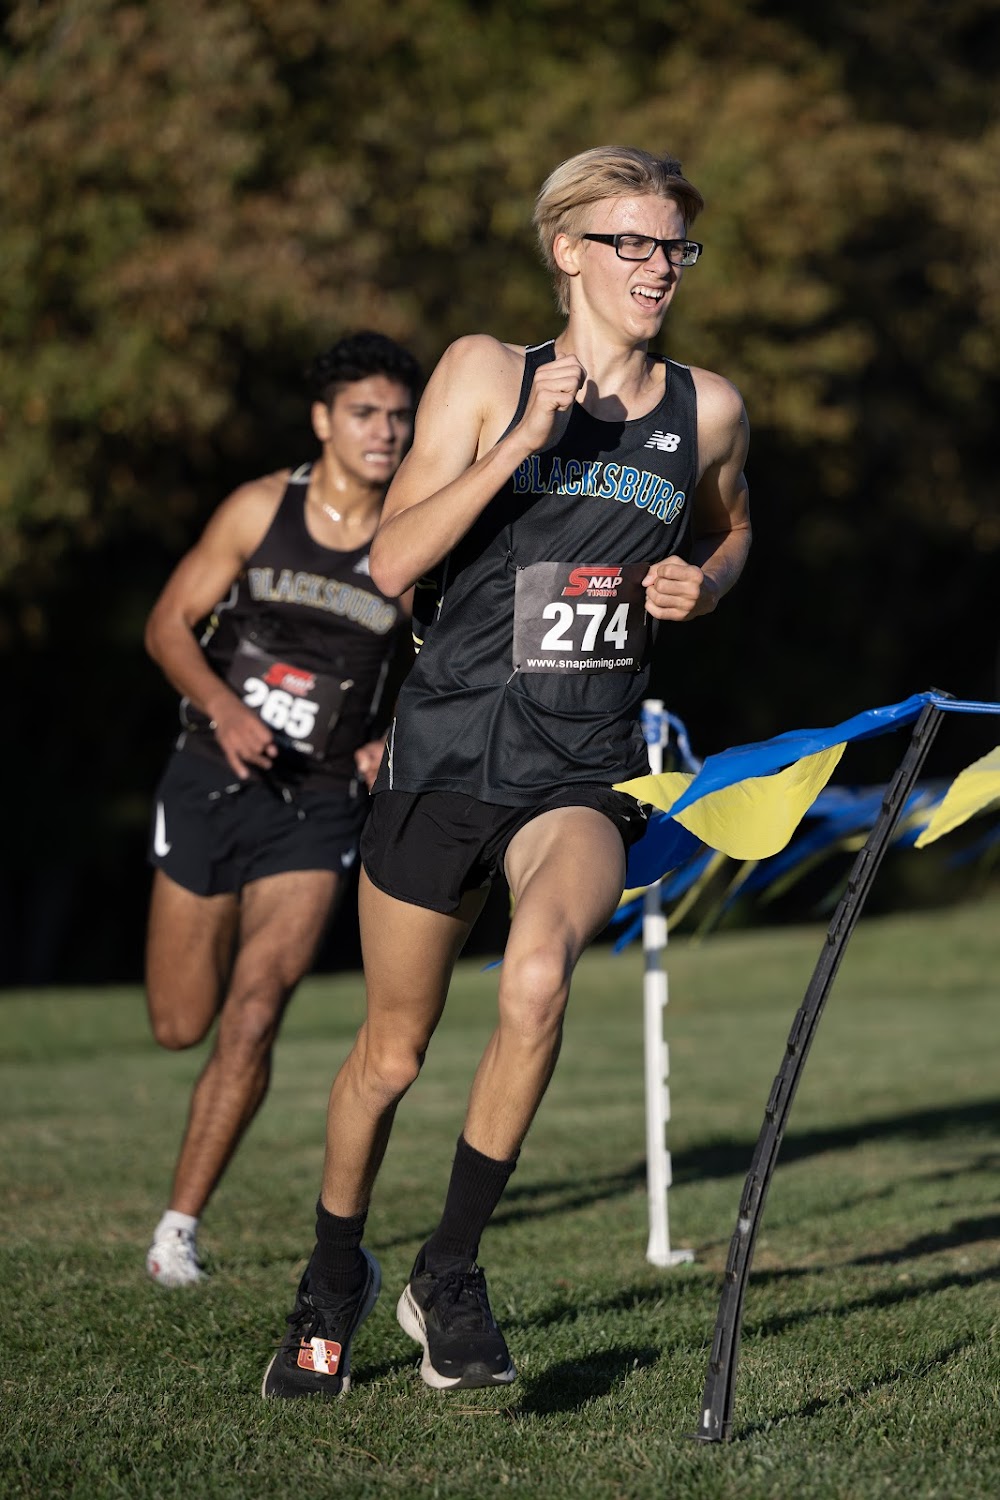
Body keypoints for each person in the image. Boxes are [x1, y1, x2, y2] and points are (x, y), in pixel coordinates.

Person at [262, 146, 751, 1397]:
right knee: (391, 1055)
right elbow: (390, 563)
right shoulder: (489, 372)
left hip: (580, 766)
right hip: (442, 753)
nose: (658, 266)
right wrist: (524, 438)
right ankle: (333, 1274)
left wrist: (707, 581)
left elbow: (733, 523)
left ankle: (451, 1271)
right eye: (631, 242)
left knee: (537, 980)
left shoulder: (707, 410)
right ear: (568, 250)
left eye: (673, 246)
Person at [143, 331, 421, 1288]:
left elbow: (451, 665)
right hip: (211, 779)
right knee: (181, 1022)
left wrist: (396, 738)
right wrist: (224, 709)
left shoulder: (415, 535)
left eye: (398, 416)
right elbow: (167, 626)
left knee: (257, 1010)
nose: (384, 432)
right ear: (323, 421)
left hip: (321, 802)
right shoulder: (261, 508)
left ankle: (176, 1231)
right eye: (364, 414)